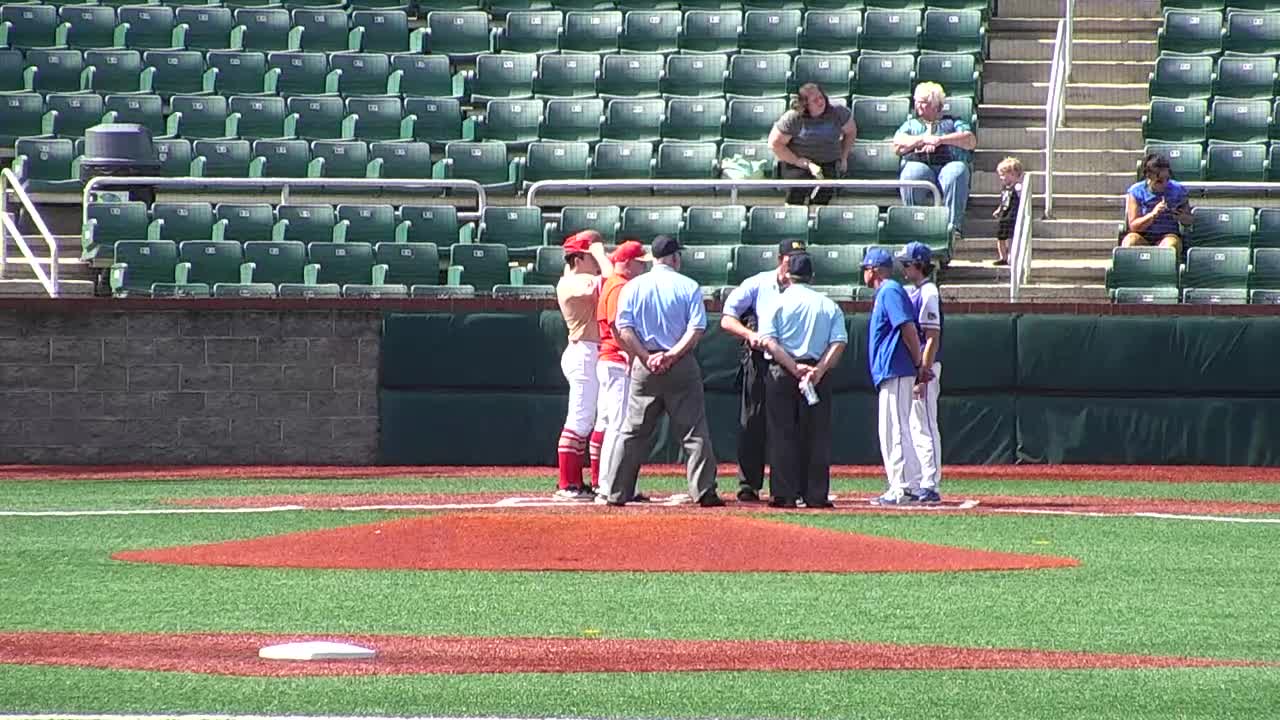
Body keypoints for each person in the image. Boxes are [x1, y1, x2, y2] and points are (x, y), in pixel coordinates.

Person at [601, 235, 723, 508]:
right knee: (694, 431)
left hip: (645, 365)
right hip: (680, 364)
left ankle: (616, 491)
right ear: (675, 258)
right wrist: (672, 355)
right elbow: (696, 330)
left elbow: (624, 329)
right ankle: (703, 491)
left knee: (632, 431)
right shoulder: (688, 285)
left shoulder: (633, 287)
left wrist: (645, 357)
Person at [719, 238, 810, 503]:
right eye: (789, 258)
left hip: (793, 359)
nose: (792, 262)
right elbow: (727, 317)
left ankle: (790, 486)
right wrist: (749, 334)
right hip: (761, 359)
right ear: (780, 259)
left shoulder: (804, 288)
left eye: (798, 258)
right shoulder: (759, 283)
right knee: (753, 421)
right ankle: (749, 483)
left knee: (791, 424)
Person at [756, 252, 848, 510]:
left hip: (783, 371)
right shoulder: (827, 305)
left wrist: (793, 367)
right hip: (816, 374)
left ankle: (784, 494)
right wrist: (817, 371)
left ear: (787, 276)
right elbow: (839, 342)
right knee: (817, 434)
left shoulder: (776, 302)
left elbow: (769, 342)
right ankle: (815, 494)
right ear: (812, 276)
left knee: (782, 433)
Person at [860, 248, 930, 506]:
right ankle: (906, 485)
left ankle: (903, 487)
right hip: (892, 369)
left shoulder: (889, 290)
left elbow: (908, 327)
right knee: (893, 428)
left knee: (896, 428)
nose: (864, 273)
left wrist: (917, 362)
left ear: (874, 270)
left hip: (897, 367)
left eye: (866, 268)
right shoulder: (887, 291)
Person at [553, 230, 612, 502]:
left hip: (593, 352)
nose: (595, 260)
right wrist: (599, 253)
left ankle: (592, 482)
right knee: (579, 419)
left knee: (598, 419)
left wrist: (598, 251)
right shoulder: (571, 281)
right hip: (583, 351)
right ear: (577, 258)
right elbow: (610, 281)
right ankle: (567, 484)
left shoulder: (582, 278)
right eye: (589, 256)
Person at [594, 239, 648, 503]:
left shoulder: (615, 283)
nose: (642, 268)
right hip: (618, 360)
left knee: (613, 425)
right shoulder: (619, 286)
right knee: (618, 425)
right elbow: (617, 327)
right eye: (639, 263)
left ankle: (608, 482)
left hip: (610, 360)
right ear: (626, 263)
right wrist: (631, 352)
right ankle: (609, 484)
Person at [894, 82, 977, 238]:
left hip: (948, 164)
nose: (918, 106)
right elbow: (898, 143)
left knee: (957, 171)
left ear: (936, 105)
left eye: (923, 103)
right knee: (912, 173)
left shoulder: (953, 122)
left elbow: (970, 140)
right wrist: (922, 140)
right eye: (916, 101)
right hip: (921, 164)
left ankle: (952, 228)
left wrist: (940, 140)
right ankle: (915, 226)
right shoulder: (911, 124)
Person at [897, 242, 943, 504]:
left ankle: (930, 482)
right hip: (919, 366)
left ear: (919, 265)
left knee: (924, 423)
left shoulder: (928, 293)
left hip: (927, 365)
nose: (903, 268)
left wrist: (922, 372)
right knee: (916, 424)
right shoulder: (916, 291)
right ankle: (920, 481)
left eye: (907, 264)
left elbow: (932, 337)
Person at [768, 83, 858, 206]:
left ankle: (817, 213)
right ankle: (793, 212)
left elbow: (851, 131)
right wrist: (799, 161)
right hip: (797, 163)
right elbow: (775, 143)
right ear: (805, 104)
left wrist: (844, 157)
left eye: (821, 97)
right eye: (815, 100)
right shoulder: (793, 118)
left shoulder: (838, 113)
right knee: (798, 186)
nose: (820, 102)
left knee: (827, 187)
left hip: (828, 161)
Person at [1123, 152, 1194, 255]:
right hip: (1143, 236)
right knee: (1130, 242)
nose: (1164, 184)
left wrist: (1180, 216)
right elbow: (1134, 226)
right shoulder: (1136, 191)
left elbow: (1189, 220)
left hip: (1168, 235)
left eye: (1167, 179)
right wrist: (1153, 214)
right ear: (1148, 176)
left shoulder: (1178, 190)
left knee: (1171, 245)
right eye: (1159, 181)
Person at [992, 156, 1023, 266]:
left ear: (1013, 174)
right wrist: (998, 210)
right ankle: (1003, 257)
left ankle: (1011, 256)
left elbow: (1022, 197)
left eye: (1003, 174)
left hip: (1013, 215)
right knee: (1000, 237)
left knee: (1010, 237)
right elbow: (1004, 201)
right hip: (1004, 215)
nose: (1001, 178)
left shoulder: (1018, 187)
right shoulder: (1005, 188)